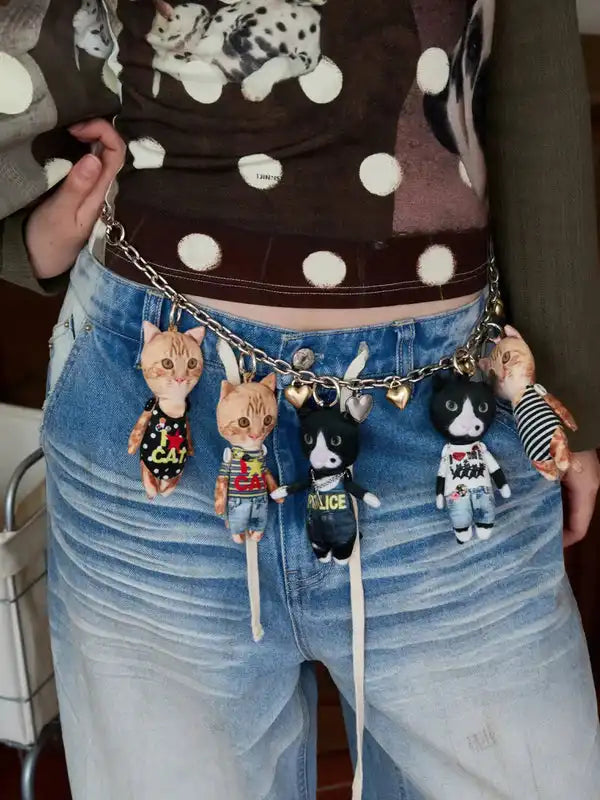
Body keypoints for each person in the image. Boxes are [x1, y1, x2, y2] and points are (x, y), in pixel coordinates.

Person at [1, 1, 600, 797]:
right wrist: (19, 238)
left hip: (451, 406)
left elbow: (532, 69)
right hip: (159, 385)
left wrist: (568, 388)